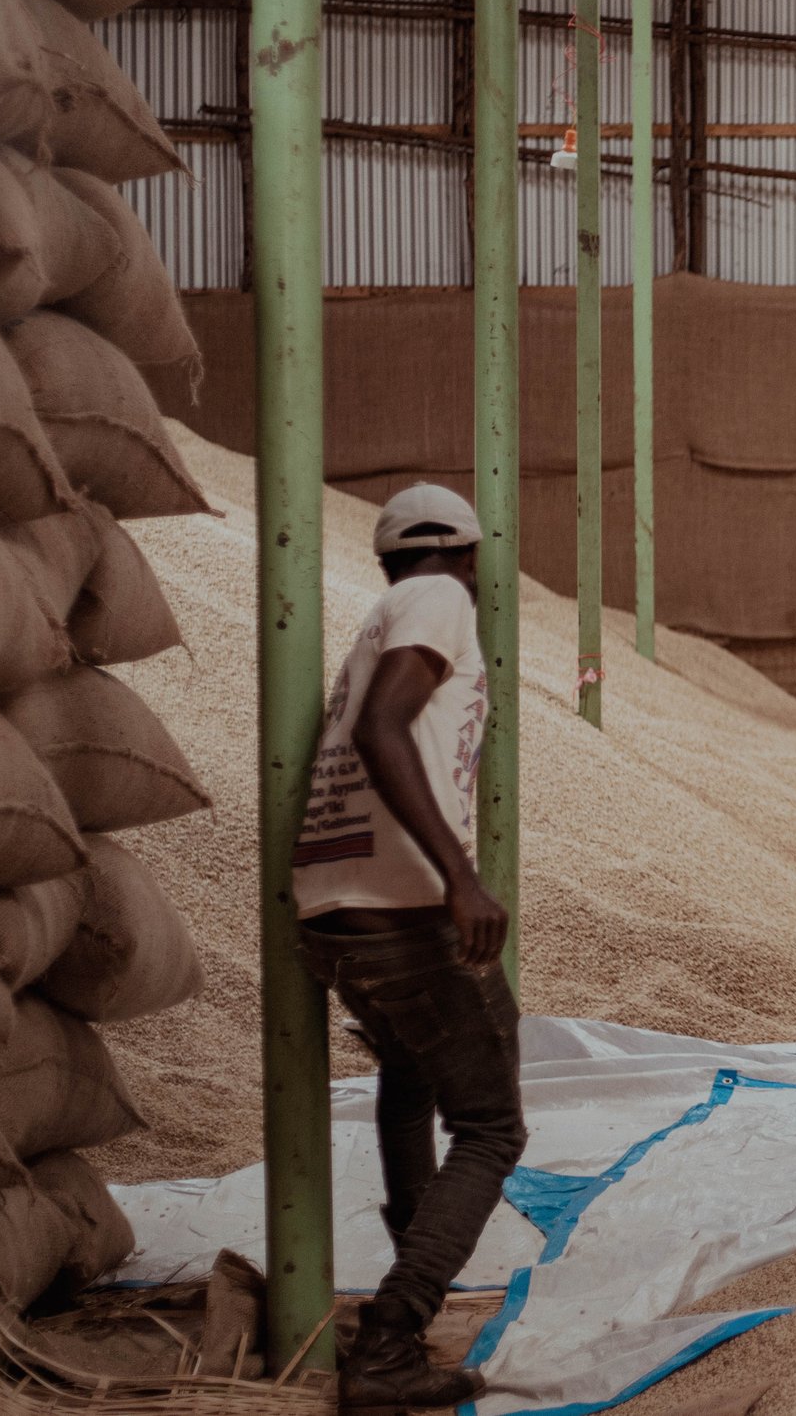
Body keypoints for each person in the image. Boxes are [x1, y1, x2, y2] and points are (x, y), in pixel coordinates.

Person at [290, 483, 522, 1414]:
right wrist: (460, 877)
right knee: (493, 1127)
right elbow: (387, 727)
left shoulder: (380, 613)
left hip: (334, 917)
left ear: (384, 556)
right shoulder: (440, 601)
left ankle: (404, 1298)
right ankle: (390, 1340)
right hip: (405, 914)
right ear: (467, 557)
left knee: (410, 1084)